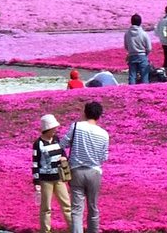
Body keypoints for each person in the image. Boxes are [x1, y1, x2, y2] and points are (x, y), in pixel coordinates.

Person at [66, 100, 109, 233]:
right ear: (99, 116)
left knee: (77, 210)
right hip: (94, 172)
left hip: (76, 171)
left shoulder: (76, 126)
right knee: (93, 207)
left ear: (85, 113)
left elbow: (64, 143)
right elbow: (104, 157)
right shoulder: (104, 134)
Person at [32, 112, 73, 233]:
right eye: (53, 128)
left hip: (59, 178)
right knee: (46, 208)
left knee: (67, 205)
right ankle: (46, 230)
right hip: (45, 180)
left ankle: (73, 229)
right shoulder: (38, 143)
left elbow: (63, 153)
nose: (55, 130)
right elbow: (35, 163)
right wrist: (36, 182)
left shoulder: (56, 139)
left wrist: (64, 158)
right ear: (47, 129)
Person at [124, 14, 152, 85]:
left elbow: (126, 46)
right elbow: (149, 48)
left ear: (131, 22)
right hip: (142, 56)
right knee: (144, 76)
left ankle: (131, 91)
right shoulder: (144, 33)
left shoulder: (127, 34)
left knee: (132, 76)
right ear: (140, 22)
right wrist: (146, 53)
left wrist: (131, 51)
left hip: (132, 56)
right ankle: (144, 91)